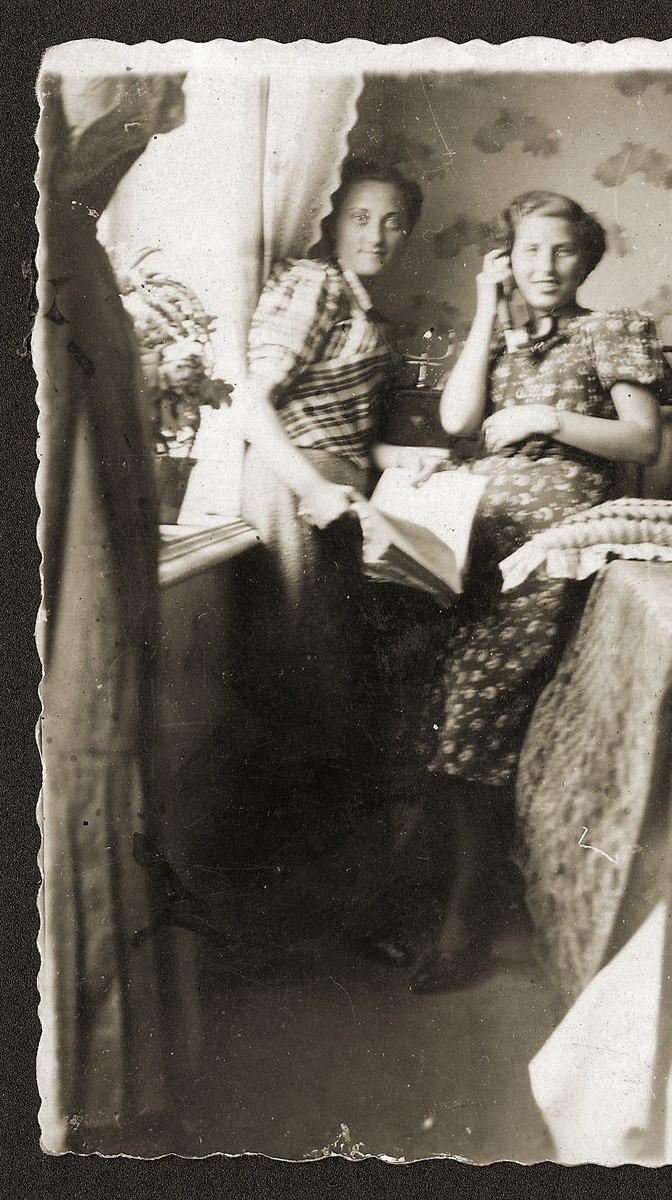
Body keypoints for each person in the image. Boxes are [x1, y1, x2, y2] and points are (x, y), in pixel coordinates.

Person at [405, 191, 672, 992]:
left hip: (550, 554)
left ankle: (468, 912)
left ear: (586, 259)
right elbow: (458, 419)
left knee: (475, 717)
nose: (546, 267)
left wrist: (541, 417)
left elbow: (642, 437)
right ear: (508, 258)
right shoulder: (504, 333)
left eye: (562, 252)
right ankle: (442, 890)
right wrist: (487, 310)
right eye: (529, 252)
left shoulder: (613, 329)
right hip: (468, 556)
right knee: (442, 709)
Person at [239, 160, 424, 792]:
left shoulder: (362, 304)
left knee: (329, 671)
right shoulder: (314, 283)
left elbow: (342, 427)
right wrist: (312, 487)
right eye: (361, 217)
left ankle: (318, 849)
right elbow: (252, 400)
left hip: (338, 494)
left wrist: (395, 458)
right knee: (299, 666)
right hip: (294, 488)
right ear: (333, 220)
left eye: (394, 223)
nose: (376, 236)